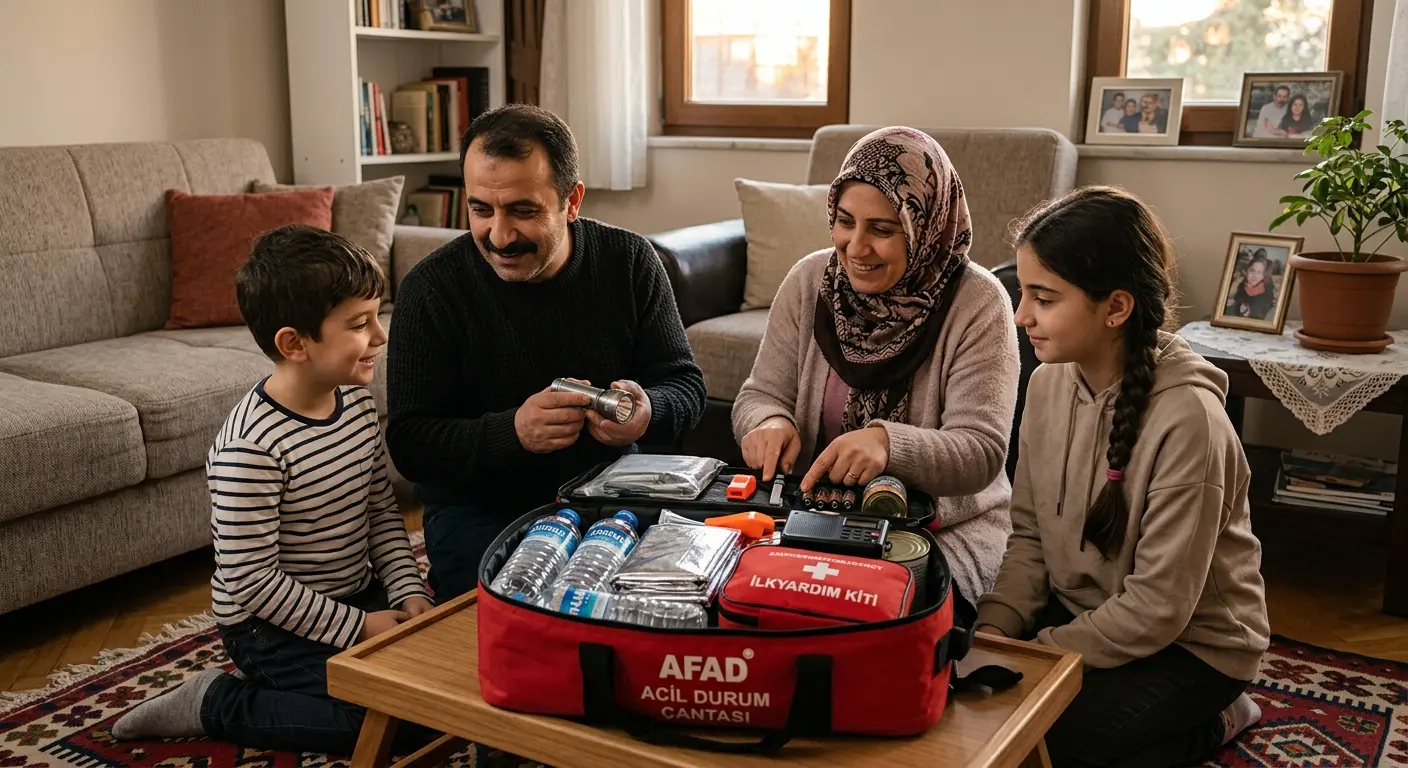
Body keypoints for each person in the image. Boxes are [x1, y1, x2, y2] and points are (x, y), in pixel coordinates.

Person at [112, 226, 435, 756]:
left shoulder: (353, 402)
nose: (381, 335)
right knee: (391, 725)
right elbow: (252, 581)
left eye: (378, 315)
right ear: (294, 344)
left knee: (446, 685)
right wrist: (359, 629)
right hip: (268, 627)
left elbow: (380, 511)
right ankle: (215, 702)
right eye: (360, 324)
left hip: (353, 595)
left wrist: (408, 592)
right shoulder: (251, 448)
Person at [976, 186, 1270, 768]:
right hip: (1088, 615)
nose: (1021, 315)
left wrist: (1039, 655)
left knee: (1047, 750)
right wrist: (992, 634)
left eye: (1044, 297)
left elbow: (1159, 608)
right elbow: (1029, 535)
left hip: (1192, 648)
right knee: (979, 717)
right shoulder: (1045, 384)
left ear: (1116, 307)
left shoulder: (1189, 421)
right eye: (1023, 293)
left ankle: (1221, 716)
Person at [387, 104, 706, 602]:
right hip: (480, 508)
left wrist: (646, 413)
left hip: (611, 496)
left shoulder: (630, 262)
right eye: (480, 210)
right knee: (507, 620)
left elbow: (685, 388)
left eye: (523, 210)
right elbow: (409, 444)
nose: (499, 236)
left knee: (666, 603)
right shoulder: (431, 288)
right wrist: (512, 433)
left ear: (572, 200)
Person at [732, 126, 1020, 602]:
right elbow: (760, 395)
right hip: (810, 520)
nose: (855, 247)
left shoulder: (979, 302)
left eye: (882, 229)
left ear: (923, 225)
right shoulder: (809, 281)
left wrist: (889, 445)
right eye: (845, 222)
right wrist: (768, 422)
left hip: (938, 533)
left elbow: (982, 451)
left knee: (884, 613)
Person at [1228, 248, 1276, 320]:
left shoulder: (1266, 290)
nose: (1254, 275)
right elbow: (1237, 298)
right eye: (1252, 271)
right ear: (1247, 271)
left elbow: (1261, 310)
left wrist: (1249, 311)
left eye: (1259, 272)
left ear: (1263, 275)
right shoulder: (1242, 284)